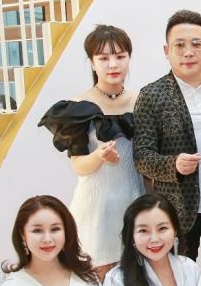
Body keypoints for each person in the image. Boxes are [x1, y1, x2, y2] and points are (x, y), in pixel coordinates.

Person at [37, 25, 144, 273]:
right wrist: (99, 156)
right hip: (96, 209)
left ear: (129, 58)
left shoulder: (142, 101)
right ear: (92, 63)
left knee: (137, 281)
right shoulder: (78, 107)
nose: (113, 64)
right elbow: (79, 166)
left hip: (136, 203)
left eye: (120, 56)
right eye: (103, 58)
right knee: (97, 279)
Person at [133, 10, 201, 260]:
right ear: (167, 51)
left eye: (196, 44)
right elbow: (142, 156)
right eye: (179, 45)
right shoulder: (152, 95)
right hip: (176, 208)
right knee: (178, 277)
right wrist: (174, 165)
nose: (188, 52)